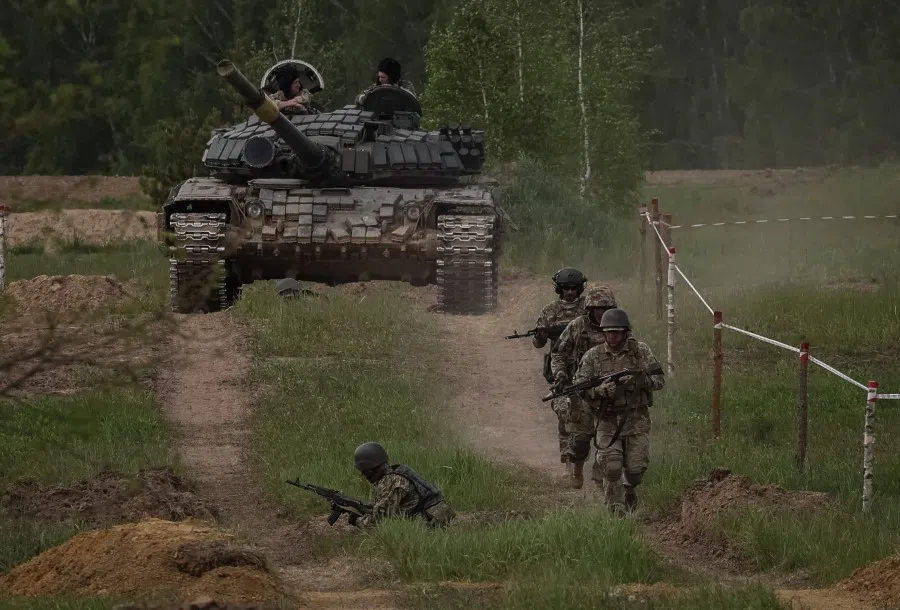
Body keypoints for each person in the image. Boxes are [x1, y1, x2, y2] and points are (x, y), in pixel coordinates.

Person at [573, 308, 665, 516]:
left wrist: (636, 383)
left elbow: (659, 380)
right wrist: (599, 390)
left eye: (617, 331)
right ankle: (616, 511)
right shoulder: (593, 357)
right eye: (608, 332)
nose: (613, 336)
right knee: (612, 467)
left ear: (625, 332)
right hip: (606, 421)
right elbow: (579, 387)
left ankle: (629, 489)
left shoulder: (640, 351)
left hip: (635, 420)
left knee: (635, 471)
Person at [550, 284, 618, 489]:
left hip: (609, 390)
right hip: (581, 387)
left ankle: (601, 479)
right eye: (598, 308)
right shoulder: (577, 326)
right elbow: (558, 353)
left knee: (607, 436)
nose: (601, 312)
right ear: (590, 309)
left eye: (606, 308)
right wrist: (561, 375)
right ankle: (576, 471)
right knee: (580, 438)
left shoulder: (618, 326)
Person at [531, 268, 587, 471]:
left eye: (573, 288)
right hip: (561, 369)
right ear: (559, 289)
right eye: (565, 288)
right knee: (564, 412)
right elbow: (538, 344)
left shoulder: (589, 308)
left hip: (588, 368)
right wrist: (541, 335)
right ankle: (568, 460)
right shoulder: (549, 311)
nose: (570, 292)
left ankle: (583, 458)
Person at [353, 442, 455, 527]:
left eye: (365, 472)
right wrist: (362, 508)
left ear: (369, 470)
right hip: (434, 517)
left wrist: (357, 520)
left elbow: (379, 520)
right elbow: (380, 507)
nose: (365, 476)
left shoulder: (392, 481)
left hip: (427, 525)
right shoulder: (397, 472)